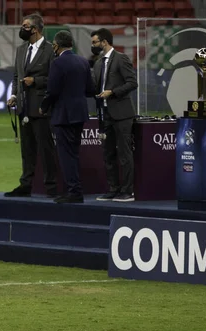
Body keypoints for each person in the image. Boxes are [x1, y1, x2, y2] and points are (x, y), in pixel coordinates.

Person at [40, 31, 96, 204]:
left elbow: (52, 90)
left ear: (56, 46)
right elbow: (90, 90)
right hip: (79, 113)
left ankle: (74, 191)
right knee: (74, 153)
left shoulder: (57, 63)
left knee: (65, 154)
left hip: (63, 114)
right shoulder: (83, 61)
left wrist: (44, 106)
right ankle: (74, 189)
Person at [6, 13, 57, 198]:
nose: (22, 29)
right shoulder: (21, 50)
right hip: (23, 106)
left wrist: (35, 80)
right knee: (27, 150)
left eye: (25, 26)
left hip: (41, 107)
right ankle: (25, 185)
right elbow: (16, 76)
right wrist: (14, 94)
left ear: (35, 29)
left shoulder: (50, 50)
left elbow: (55, 78)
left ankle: (51, 186)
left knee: (46, 149)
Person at [91, 28, 138, 202]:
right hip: (104, 114)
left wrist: (113, 92)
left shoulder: (121, 59)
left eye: (95, 42)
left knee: (125, 153)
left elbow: (133, 82)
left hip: (122, 113)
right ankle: (113, 188)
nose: (93, 46)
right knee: (107, 153)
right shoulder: (97, 64)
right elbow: (94, 86)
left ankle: (128, 190)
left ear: (104, 42)